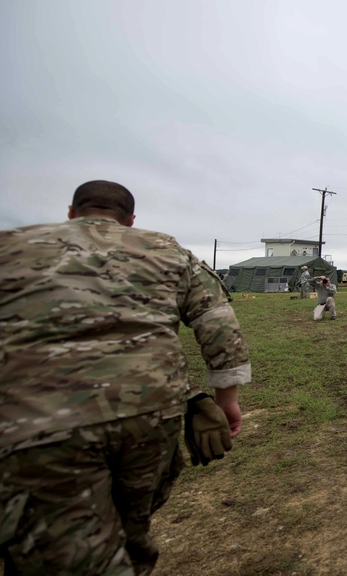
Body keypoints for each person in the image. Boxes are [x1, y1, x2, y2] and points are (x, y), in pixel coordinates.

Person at [0, 180, 251, 575]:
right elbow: (218, 323)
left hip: (39, 424)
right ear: (131, 220)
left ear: (71, 212)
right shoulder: (167, 250)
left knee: (63, 549)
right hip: (149, 413)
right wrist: (223, 399)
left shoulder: (11, 246)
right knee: (132, 531)